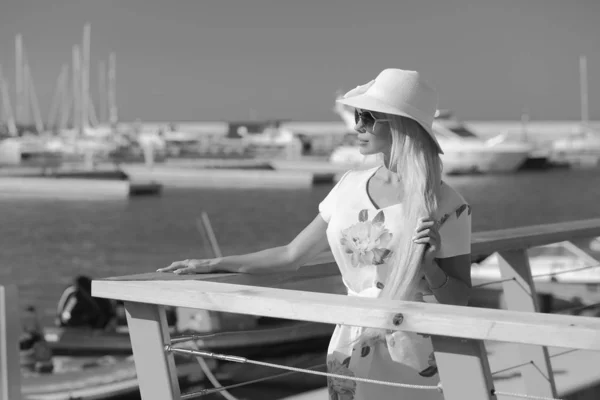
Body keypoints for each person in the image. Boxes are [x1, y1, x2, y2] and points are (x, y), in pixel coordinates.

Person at [157, 68, 472, 400]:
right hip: (348, 343)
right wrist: (214, 263)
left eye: (367, 117)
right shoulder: (349, 187)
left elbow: (460, 298)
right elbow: (292, 255)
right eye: (357, 116)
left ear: (400, 124)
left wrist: (430, 268)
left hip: (411, 355)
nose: (357, 126)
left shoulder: (447, 204)